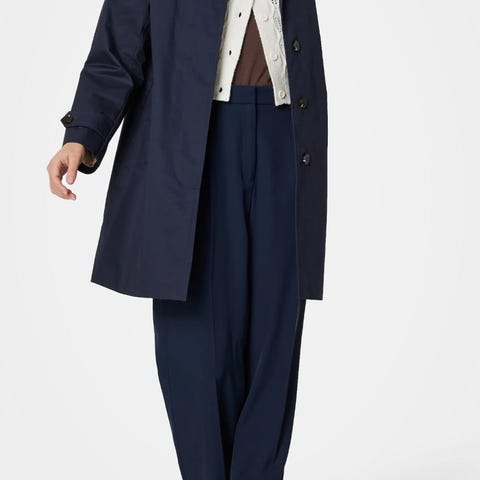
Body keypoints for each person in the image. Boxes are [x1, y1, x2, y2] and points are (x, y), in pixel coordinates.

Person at [46, 0, 328, 478]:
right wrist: (83, 132)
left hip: (286, 132)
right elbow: (119, 43)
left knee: (275, 334)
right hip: (194, 138)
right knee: (194, 340)